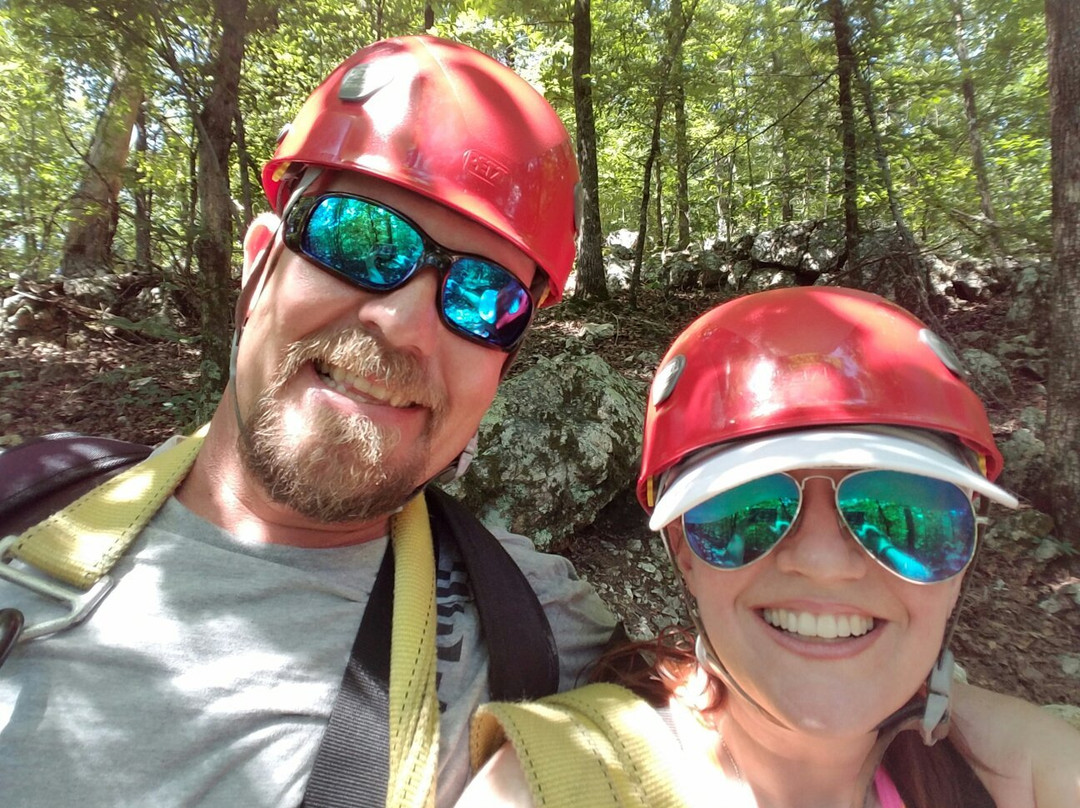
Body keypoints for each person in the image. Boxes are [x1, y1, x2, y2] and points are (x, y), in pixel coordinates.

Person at [0, 36, 616, 807]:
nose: (403, 323)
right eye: (359, 238)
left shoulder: (539, 630)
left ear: (501, 371)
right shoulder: (24, 506)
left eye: (484, 297)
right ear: (259, 268)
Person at [460, 286, 1080, 808]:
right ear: (683, 550)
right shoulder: (564, 780)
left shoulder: (1029, 776)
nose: (823, 561)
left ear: (965, 549)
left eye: (903, 512)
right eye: (748, 509)